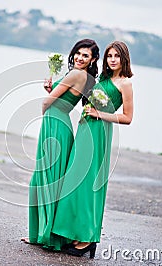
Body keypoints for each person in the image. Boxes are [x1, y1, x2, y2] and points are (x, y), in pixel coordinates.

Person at [51, 41, 134, 258]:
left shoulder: (125, 84)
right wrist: (52, 90)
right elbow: (81, 98)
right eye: (109, 56)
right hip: (84, 131)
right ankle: (76, 234)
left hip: (99, 133)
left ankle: (88, 239)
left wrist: (100, 115)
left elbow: (127, 118)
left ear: (124, 59)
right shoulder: (103, 80)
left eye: (117, 56)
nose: (112, 60)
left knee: (89, 185)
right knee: (75, 181)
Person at [21, 39, 100, 251]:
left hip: (55, 125)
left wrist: (45, 109)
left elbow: (49, 102)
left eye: (86, 55)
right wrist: (52, 89)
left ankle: (44, 235)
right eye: (78, 53)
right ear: (73, 54)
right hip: (61, 123)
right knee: (50, 178)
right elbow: (61, 99)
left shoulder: (77, 74)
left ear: (92, 59)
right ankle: (43, 234)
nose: (80, 58)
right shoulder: (81, 76)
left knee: (45, 179)